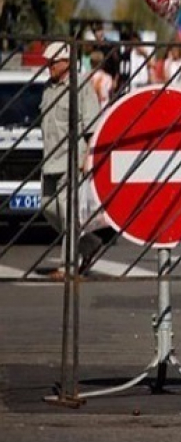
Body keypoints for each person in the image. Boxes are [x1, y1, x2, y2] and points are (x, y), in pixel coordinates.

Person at [39, 42, 103, 280]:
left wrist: (86, 158)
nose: (49, 66)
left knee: (68, 213)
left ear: (65, 62)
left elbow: (91, 126)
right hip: (50, 160)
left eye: (53, 62)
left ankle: (68, 267)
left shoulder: (81, 86)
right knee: (47, 206)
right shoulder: (48, 88)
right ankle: (88, 244)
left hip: (71, 159)